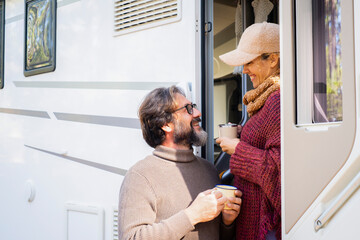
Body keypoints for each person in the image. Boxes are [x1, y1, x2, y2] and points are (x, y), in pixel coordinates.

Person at [118, 86, 242, 240]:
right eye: (188, 109)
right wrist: (192, 215)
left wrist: (227, 222)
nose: (197, 113)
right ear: (166, 124)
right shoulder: (140, 176)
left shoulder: (209, 169)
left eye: (194, 107)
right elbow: (132, 237)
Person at [216, 22, 281, 240]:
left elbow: (277, 171)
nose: (244, 70)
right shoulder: (267, 97)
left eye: (249, 62)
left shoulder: (277, 101)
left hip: (265, 227)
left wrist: (238, 149)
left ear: (272, 59)